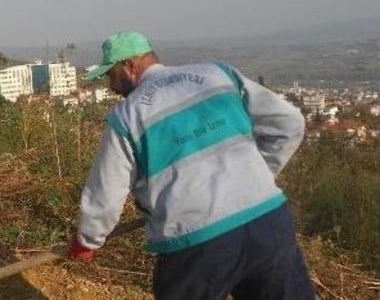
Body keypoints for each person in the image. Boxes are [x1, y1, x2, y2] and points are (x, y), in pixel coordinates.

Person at [68, 31, 315, 300]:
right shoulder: (218, 74)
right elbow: (290, 123)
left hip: (198, 243)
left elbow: (106, 192)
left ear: (129, 67)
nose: (110, 85)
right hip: (268, 222)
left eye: (110, 74)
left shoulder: (128, 115)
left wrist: (87, 240)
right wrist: (258, 176)